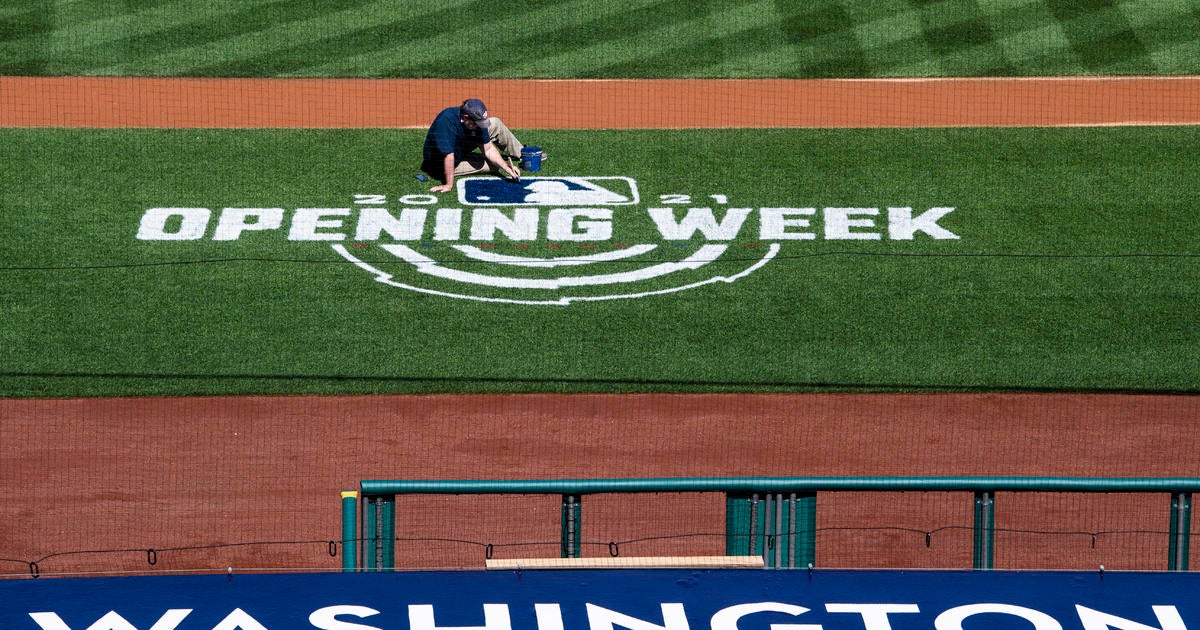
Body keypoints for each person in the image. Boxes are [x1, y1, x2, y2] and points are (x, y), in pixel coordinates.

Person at [421, 98, 528, 193]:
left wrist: (507, 168)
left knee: (495, 123)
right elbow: (448, 156)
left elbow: (489, 148)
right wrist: (448, 185)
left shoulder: (474, 122)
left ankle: (524, 154)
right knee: (494, 165)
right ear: (466, 117)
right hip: (440, 164)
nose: (480, 126)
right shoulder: (446, 121)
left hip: (460, 147)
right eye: (477, 123)